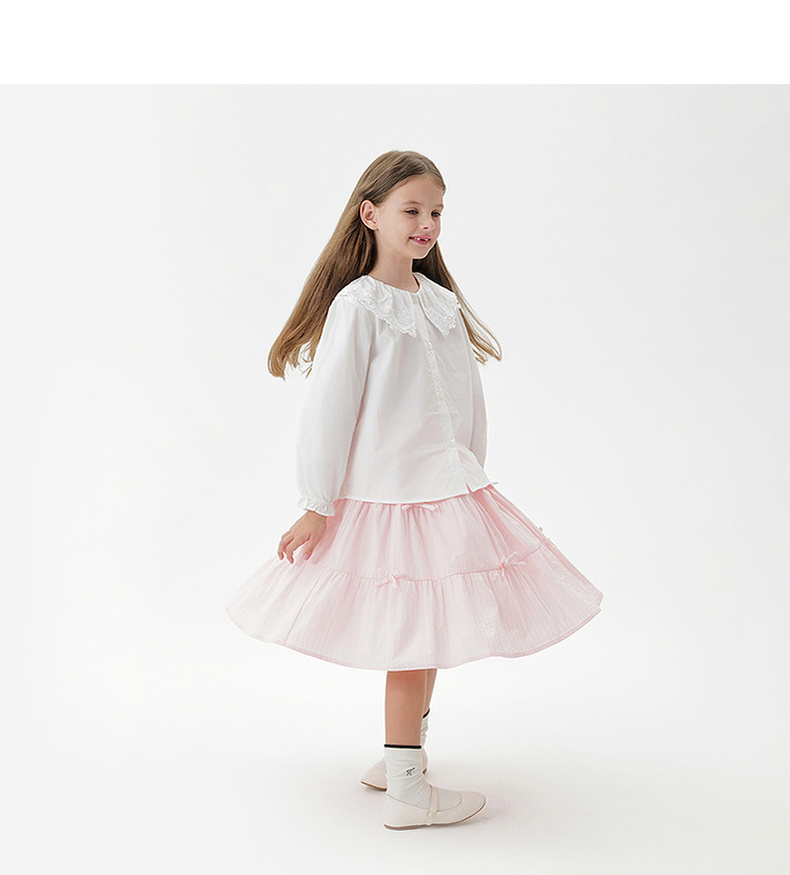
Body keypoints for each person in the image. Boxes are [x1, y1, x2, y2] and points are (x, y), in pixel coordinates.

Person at [225, 150, 603, 830]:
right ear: (370, 214)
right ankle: (407, 788)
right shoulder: (359, 305)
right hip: (389, 499)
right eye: (412, 210)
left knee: (428, 634)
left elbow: (466, 400)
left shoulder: (440, 302)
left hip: (444, 493)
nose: (426, 224)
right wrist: (317, 502)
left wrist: (468, 476)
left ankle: (403, 758)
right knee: (413, 639)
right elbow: (330, 409)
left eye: (435, 212)